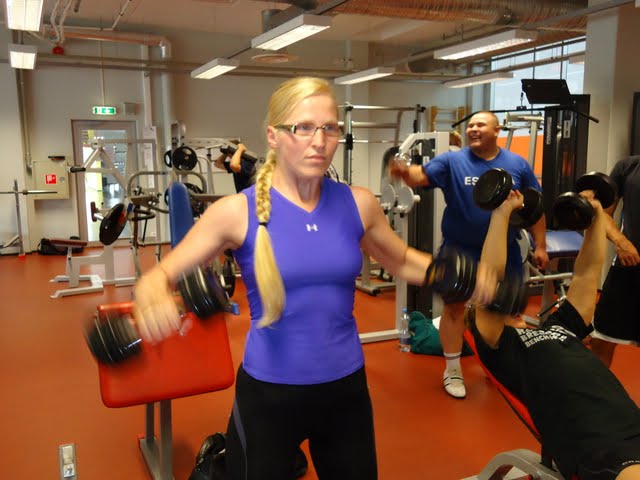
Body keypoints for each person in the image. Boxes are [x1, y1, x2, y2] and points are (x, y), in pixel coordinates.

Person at [131, 77, 498, 479]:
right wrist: (152, 294)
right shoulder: (235, 212)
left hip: (345, 390)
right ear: (273, 136)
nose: (319, 141)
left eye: (329, 128)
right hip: (268, 394)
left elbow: (403, 261)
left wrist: (462, 276)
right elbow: (159, 277)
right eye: (303, 127)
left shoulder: (358, 203)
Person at [469, 188, 640, 480]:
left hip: (631, 422)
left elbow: (587, 273)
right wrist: (502, 213)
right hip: (596, 443)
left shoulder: (560, 325)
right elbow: (490, 277)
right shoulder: (503, 349)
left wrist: (596, 218)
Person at [388, 111, 550, 399]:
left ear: (496, 130)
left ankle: (504, 367)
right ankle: (452, 369)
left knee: (508, 312)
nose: (473, 129)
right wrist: (404, 173)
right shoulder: (452, 161)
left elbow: (535, 209)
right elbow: (420, 176)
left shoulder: (517, 164)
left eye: (480, 125)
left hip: (505, 251)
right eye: (471, 125)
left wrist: (541, 246)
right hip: (459, 250)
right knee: (453, 309)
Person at [590, 156, 640, 367]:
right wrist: (620, 241)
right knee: (601, 340)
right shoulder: (628, 167)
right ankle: (596, 389)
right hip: (627, 269)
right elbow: (603, 213)